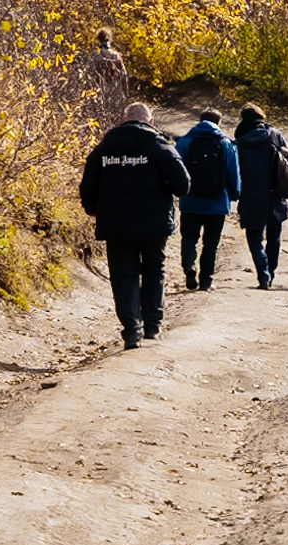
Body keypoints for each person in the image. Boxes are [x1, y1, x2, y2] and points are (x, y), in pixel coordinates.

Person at [78, 101, 189, 349]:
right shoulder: (160, 146)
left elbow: (87, 185)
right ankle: (152, 326)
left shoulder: (104, 149)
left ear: (122, 120)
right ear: (150, 122)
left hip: (116, 225)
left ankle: (131, 330)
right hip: (154, 223)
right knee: (154, 271)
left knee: (123, 275)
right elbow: (183, 185)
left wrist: (93, 209)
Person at [232, 104, 288, 288]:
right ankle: (271, 272)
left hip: (250, 195)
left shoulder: (239, 141)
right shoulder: (274, 135)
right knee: (274, 236)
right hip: (275, 193)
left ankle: (263, 272)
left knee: (253, 237)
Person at [176, 107, 240, 290]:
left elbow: (176, 169)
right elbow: (232, 172)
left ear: (199, 120)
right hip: (217, 202)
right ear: (218, 123)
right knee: (211, 243)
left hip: (190, 201)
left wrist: (177, 192)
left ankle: (189, 266)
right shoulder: (226, 144)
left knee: (189, 237)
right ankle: (206, 281)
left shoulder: (185, 142)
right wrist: (234, 194)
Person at [85, 29, 131, 125]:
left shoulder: (95, 55)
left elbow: (88, 75)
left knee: (98, 119)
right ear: (109, 39)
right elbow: (123, 75)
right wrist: (126, 93)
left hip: (97, 91)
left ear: (98, 39)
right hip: (113, 91)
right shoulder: (115, 55)